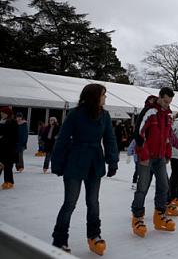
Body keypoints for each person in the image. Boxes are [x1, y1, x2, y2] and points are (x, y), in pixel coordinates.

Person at [50, 84, 119, 255]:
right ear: (94, 96)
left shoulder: (105, 115)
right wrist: (58, 164)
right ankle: (59, 239)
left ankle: (94, 235)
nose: (105, 98)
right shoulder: (75, 114)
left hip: (95, 163)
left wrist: (112, 161)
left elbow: (110, 140)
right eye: (103, 95)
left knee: (93, 202)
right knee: (70, 203)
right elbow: (62, 140)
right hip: (75, 162)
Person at [131, 88, 178, 238]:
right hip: (146, 158)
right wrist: (144, 155)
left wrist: (174, 152)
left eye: (170, 102)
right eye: (165, 101)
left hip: (160, 158)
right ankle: (137, 217)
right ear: (159, 97)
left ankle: (159, 215)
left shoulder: (168, 115)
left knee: (164, 186)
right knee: (142, 187)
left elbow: (170, 137)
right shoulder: (149, 111)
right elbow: (138, 134)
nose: (167, 104)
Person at [0, 107, 18, 189]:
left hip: (9, 148)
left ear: (7, 114)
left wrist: (3, 136)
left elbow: (13, 135)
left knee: (7, 165)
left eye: (3, 112)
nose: (1, 114)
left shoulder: (13, 122)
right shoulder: (1, 121)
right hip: (1, 146)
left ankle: (9, 182)